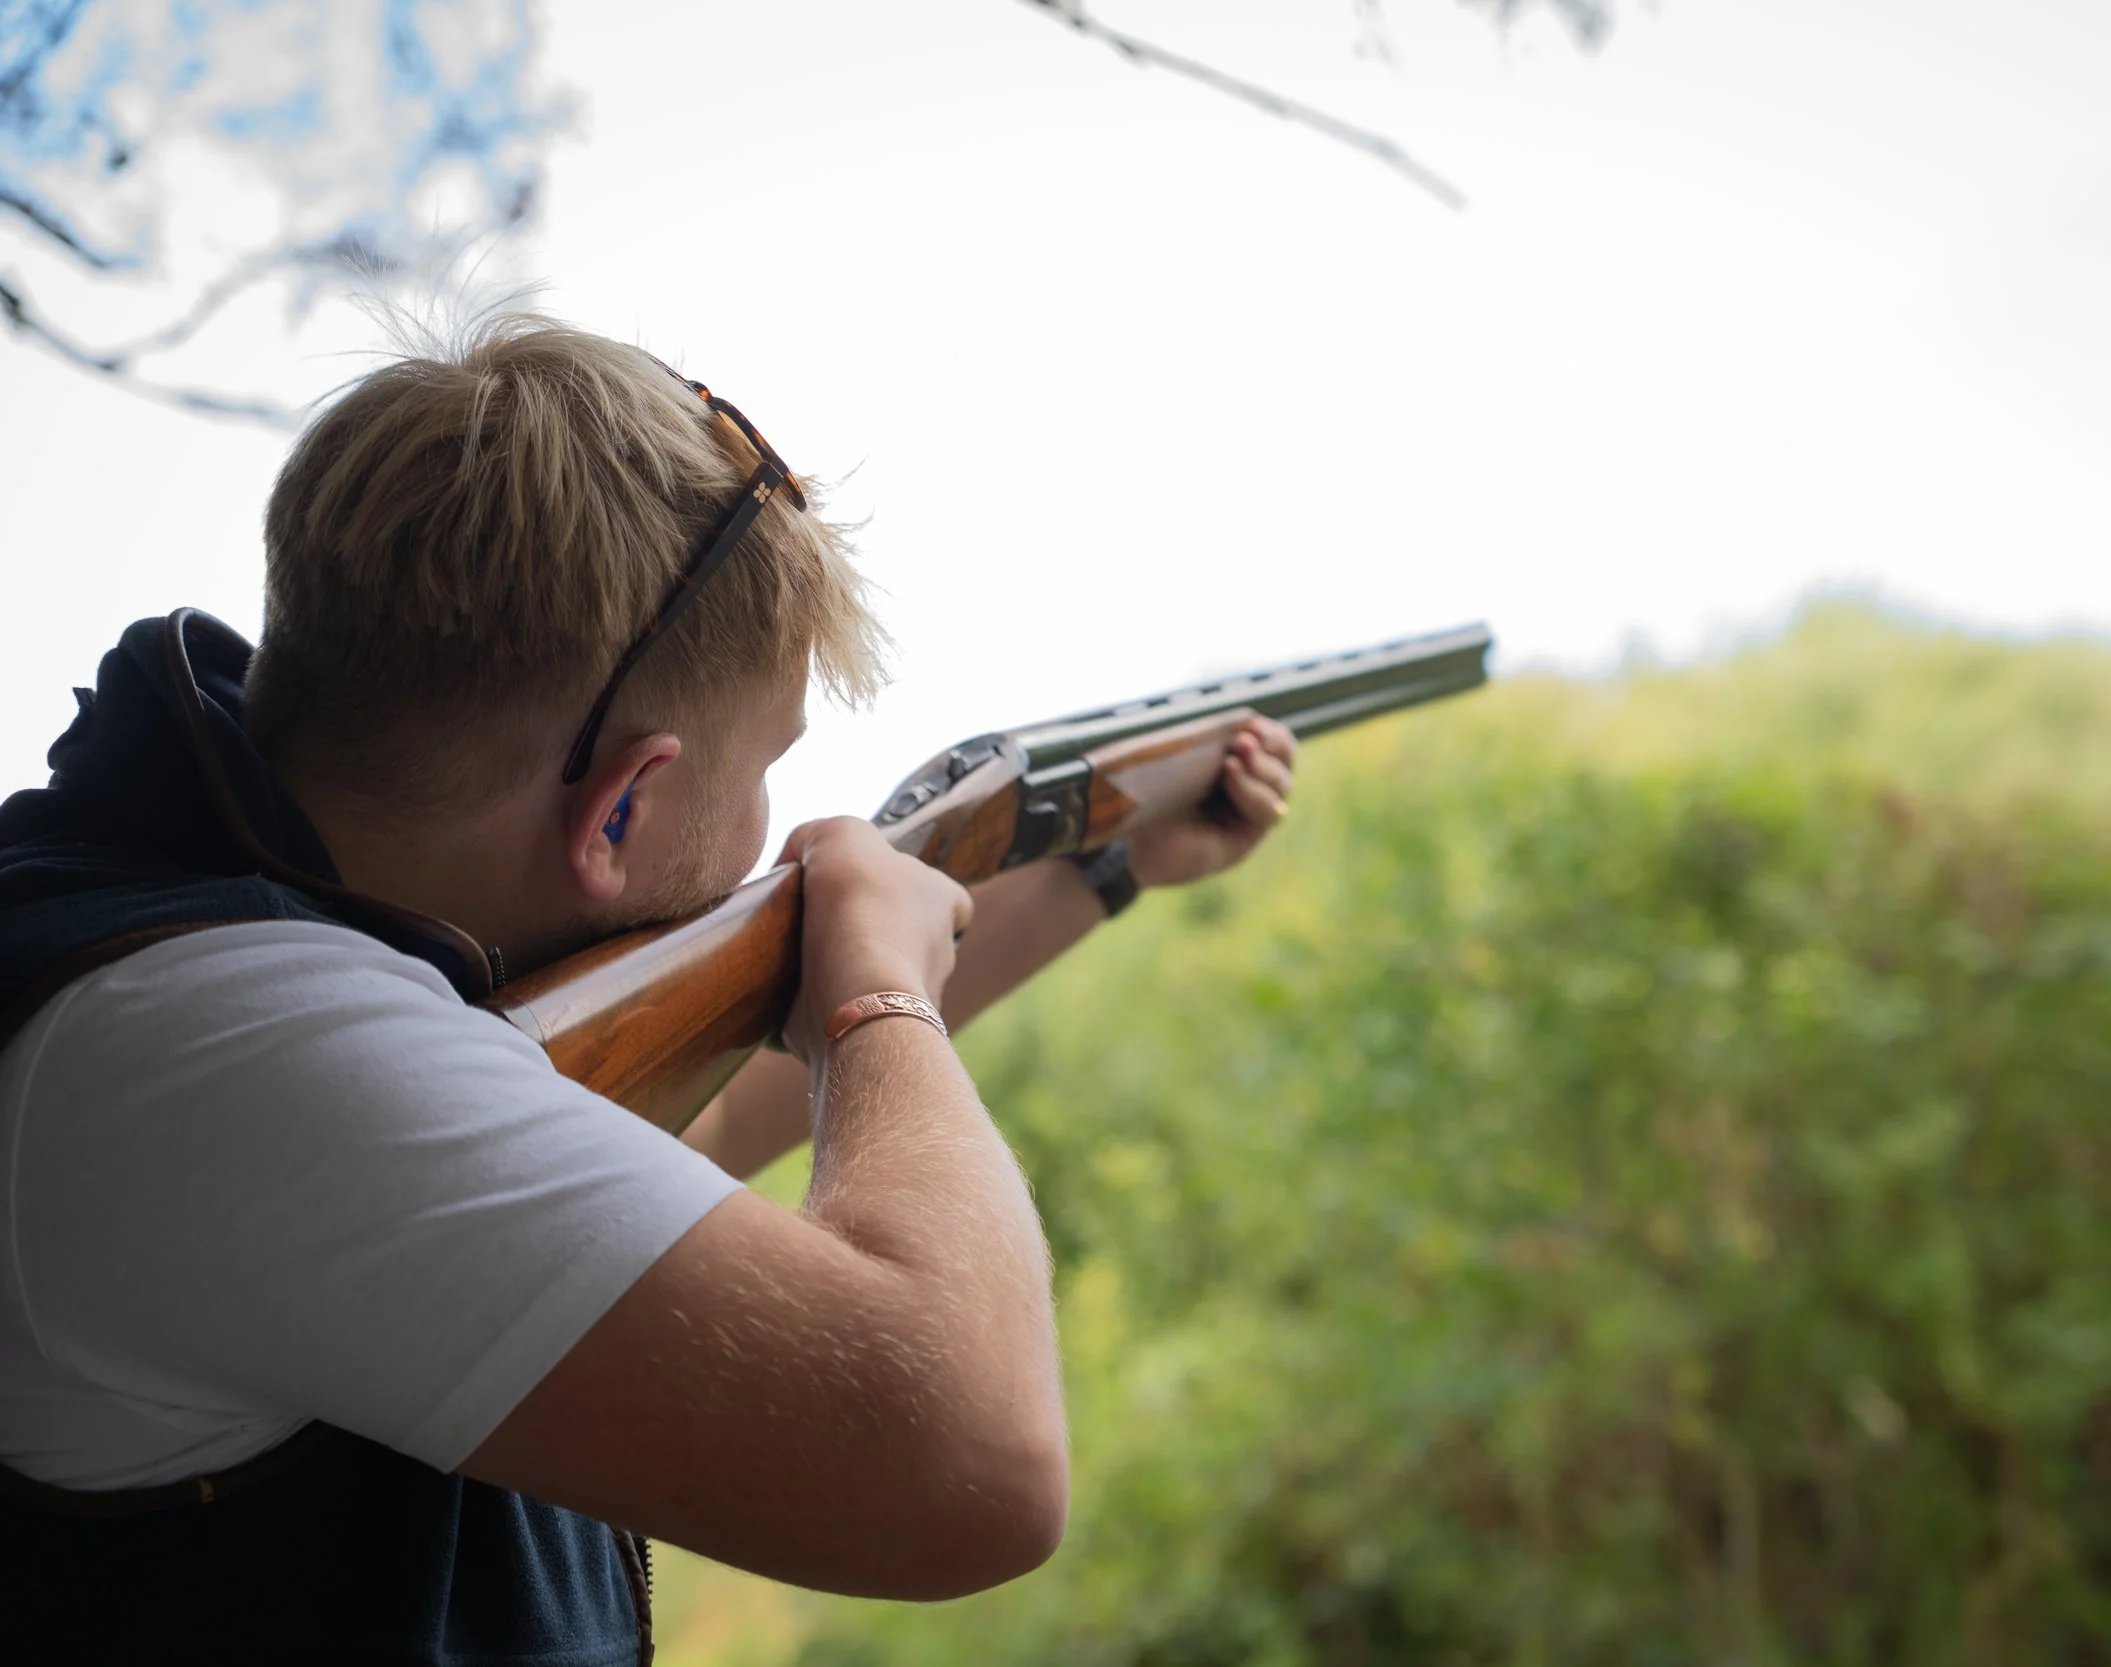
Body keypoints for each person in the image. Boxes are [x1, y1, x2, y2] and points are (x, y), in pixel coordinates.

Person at [0, 314, 1298, 1662]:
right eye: (765, 764)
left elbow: (692, 1134)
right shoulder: (231, 1048)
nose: (774, 821)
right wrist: (872, 991)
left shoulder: (203, 949)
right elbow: (970, 1461)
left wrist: (1097, 872)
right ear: (621, 807)